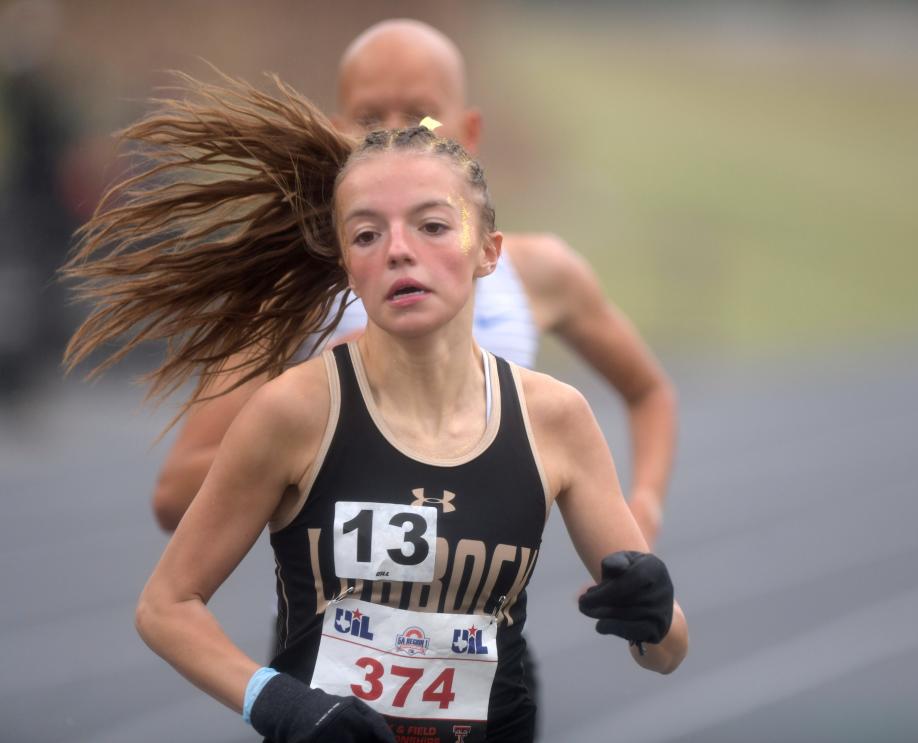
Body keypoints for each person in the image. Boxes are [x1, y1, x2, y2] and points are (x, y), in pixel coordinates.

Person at [62, 74, 687, 742]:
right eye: (365, 235)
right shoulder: (295, 411)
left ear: (487, 252)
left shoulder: (553, 417)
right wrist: (280, 704)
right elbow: (165, 605)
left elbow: (666, 651)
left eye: (432, 225)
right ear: (346, 266)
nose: (396, 249)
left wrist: (650, 611)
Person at [151, 19, 677, 551]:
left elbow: (649, 390)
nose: (395, 134)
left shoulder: (537, 272)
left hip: (483, 627)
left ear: (469, 132)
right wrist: (315, 418)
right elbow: (175, 495)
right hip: (328, 628)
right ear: (338, 133)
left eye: (422, 114)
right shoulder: (295, 291)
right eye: (369, 119)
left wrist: (643, 507)